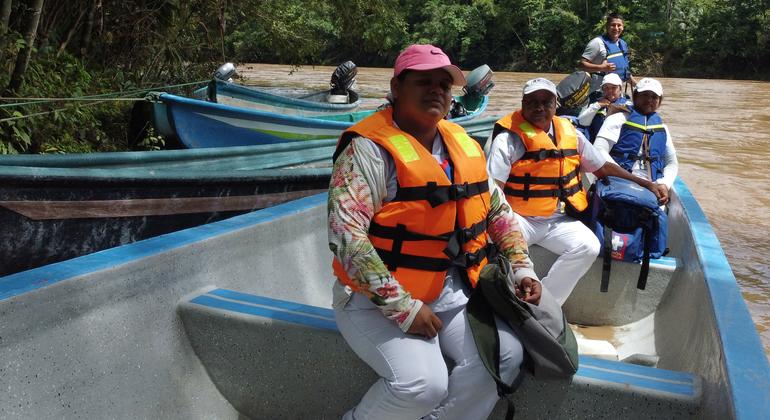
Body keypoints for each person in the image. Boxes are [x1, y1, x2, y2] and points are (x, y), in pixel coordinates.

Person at [328, 44, 541, 420]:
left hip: (447, 286)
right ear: (397, 87)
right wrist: (405, 309)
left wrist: (522, 266)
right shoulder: (366, 150)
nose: (437, 90)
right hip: (373, 296)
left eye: (445, 84)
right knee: (423, 384)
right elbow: (348, 239)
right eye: (423, 81)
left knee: (505, 357)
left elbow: (497, 210)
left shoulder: (461, 143)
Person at [485, 77, 664, 305]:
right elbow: (493, 193)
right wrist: (505, 228)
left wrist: (646, 184)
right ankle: (505, 299)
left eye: (546, 101)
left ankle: (545, 303)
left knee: (589, 246)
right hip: (519, 219)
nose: (540, 107)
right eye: (532, 102)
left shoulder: (570, 133)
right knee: (491, 239)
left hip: (557, 219)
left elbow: (602, 167)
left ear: (555, 105)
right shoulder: (507, 139)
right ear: (522, 104)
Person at [594, 77, 678, 199]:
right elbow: (599, 151)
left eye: (654, 97)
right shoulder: (618, 119)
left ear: (660, 101)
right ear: (635, 97)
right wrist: (637, 181)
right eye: (645, 95)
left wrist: (665, 184)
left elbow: (671, 163)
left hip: (653, 186)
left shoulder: (662, 128)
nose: (649, 100)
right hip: (619, 182)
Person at [579, 13, 636, 88]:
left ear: (623, 27)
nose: (616, 28)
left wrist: (636, 86)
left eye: (619, 25)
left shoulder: (623, 44)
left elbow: (624, 70)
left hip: (616, 92)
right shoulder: (597, 43)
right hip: (598, 91)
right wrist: (602, 67)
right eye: (613, 25)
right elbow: (582, 65)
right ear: (607, 26)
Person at [576, 73, 628, 143]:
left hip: (618, 147)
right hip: (596, 145)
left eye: (614, 87)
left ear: (620, 89)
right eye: (606, 88)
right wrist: (598, 105)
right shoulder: (596, 104)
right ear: (602, 90)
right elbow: (582, 122)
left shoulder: (627, 105)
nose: (610, 91)